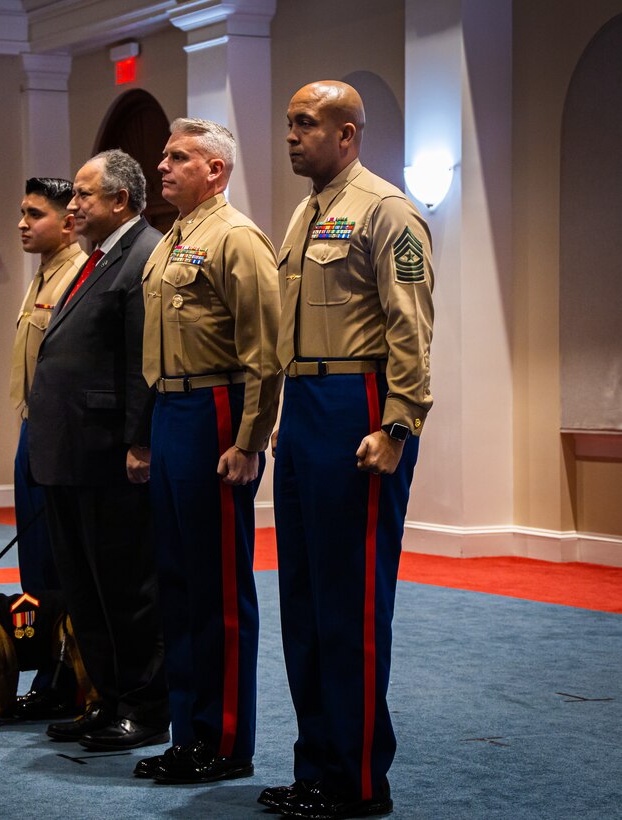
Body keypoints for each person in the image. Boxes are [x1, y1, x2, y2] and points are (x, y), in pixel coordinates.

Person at [261, 80, 434, 819]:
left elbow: (411, 331)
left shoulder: (387, 211)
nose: (292, 135)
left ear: (348, 132)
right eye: (290, 123)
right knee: (301, 602)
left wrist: (397, 427)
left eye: (306, 124)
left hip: (356, 408)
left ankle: (359, 781)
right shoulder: (306, 212)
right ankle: (316, 767)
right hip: (303, 407)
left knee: (351, 605)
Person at [136, 118, 282, 784]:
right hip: (170, 410)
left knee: (217, 588)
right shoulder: (172, 240)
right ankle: (187, 732)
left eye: (177, 158)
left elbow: (263, 354)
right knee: (176, 582)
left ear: (214, 170)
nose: (161, 167)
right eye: (163, 157)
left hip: (214, 412)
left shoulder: (236, 239)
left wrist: (248, 440)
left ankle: (223, 743)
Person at [25, 149, 170, 751]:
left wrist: (139, 440)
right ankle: (105, 700)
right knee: (84, 588)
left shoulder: (143, 255)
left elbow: (145, 358)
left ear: (121, 201)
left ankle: (142, 706)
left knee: (124, 588)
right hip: (71, 452)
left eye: (85, 195)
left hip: (111, 451)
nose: (74, 204)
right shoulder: (95, 257)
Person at [7, 177, 85, 719]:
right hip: (31, 432)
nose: (22, 223)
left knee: (61, 570)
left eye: (35, 214)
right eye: (22, 212)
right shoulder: (42, 275)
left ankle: (66, 679)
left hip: (58, 438)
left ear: (68, 221)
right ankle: (45, 671)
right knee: (35, 570)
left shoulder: (78, 275)